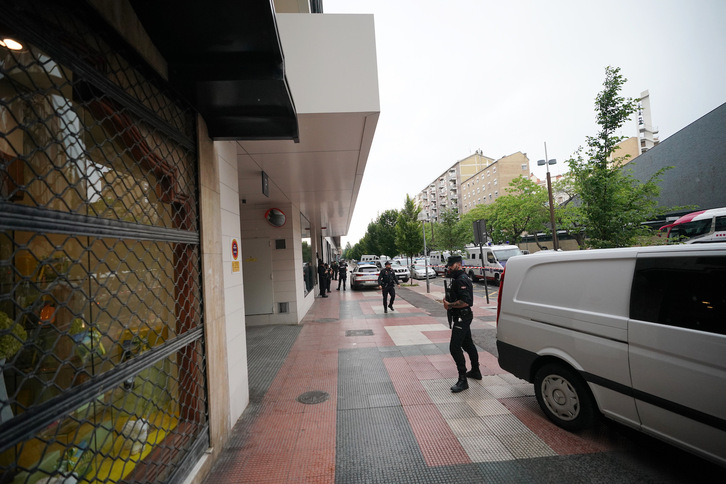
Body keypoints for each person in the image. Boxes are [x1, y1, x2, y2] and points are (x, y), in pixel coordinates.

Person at [442, 255, 481, 393]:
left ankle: (463, 380)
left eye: (451, 265)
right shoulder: (457, 279)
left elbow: (465, 302)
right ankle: (476, 371)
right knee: (468, 344)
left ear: (459, 264)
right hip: (461, 316)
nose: (449, 267)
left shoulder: (461, 279)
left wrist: (450, 305)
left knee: (454, 347)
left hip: (462, 317)